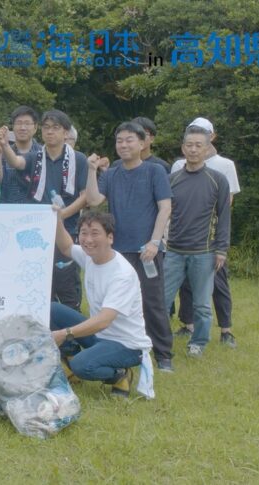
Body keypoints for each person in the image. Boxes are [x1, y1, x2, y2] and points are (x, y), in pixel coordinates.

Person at [85, 122, 175, 372]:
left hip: (146, 251)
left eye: (129, 140)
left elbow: (165, 207)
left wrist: (155, 242)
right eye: (119, 141)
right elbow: (93, 200)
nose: (123, 145)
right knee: (113, 304)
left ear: (143, 142)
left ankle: (163, 354)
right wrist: (92, 171)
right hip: (118, 253)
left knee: (153, 302)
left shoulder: (155, 171)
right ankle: (120, 348)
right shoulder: (112, 173)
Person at [49, 210, 154, 398]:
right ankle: (71, 356)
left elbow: (104, 320)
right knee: (52, 310)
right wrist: (57, 218)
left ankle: (119, 374)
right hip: (100, 335)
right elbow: (65, 246)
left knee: (82, 365)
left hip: (126, 344)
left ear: (110, 237)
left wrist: (65, 334)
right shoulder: (90, 255)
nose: (88, 239)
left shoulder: (121, 274)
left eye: (95, 233)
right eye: (83, 233)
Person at [0, 109, 88, 311]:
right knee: (38, 283)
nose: (50, 132)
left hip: (66, 229)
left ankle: (69, 340)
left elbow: (85, 196)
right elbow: (17, 163)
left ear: (66, 133)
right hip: (38, 232)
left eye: (56, 128)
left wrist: (63, 215)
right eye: (46, 128)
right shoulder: (36, 157)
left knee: (66, 284)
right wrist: (4, 146)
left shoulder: (78, 159)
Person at [171, 117, 241, 348]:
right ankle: (158, 341)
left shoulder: (218, 179)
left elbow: (224, 215)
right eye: (189, 145)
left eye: (198, 145)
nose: (193, 149)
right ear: (183, 148)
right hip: (172, 250)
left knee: (202, 304)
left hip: (205, 250)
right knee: (161, 300)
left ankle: (199, 342)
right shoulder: (173, 178)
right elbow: (163, 212)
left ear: (207, 146)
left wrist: (221, 249)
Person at [0, 106, 42, 204]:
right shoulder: (2, 152)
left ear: (35, 127)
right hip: (7, 211)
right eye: (18, 123)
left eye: (27, 123)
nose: (22, 128)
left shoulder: (43, 154)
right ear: (13, 127)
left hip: (35, 213)